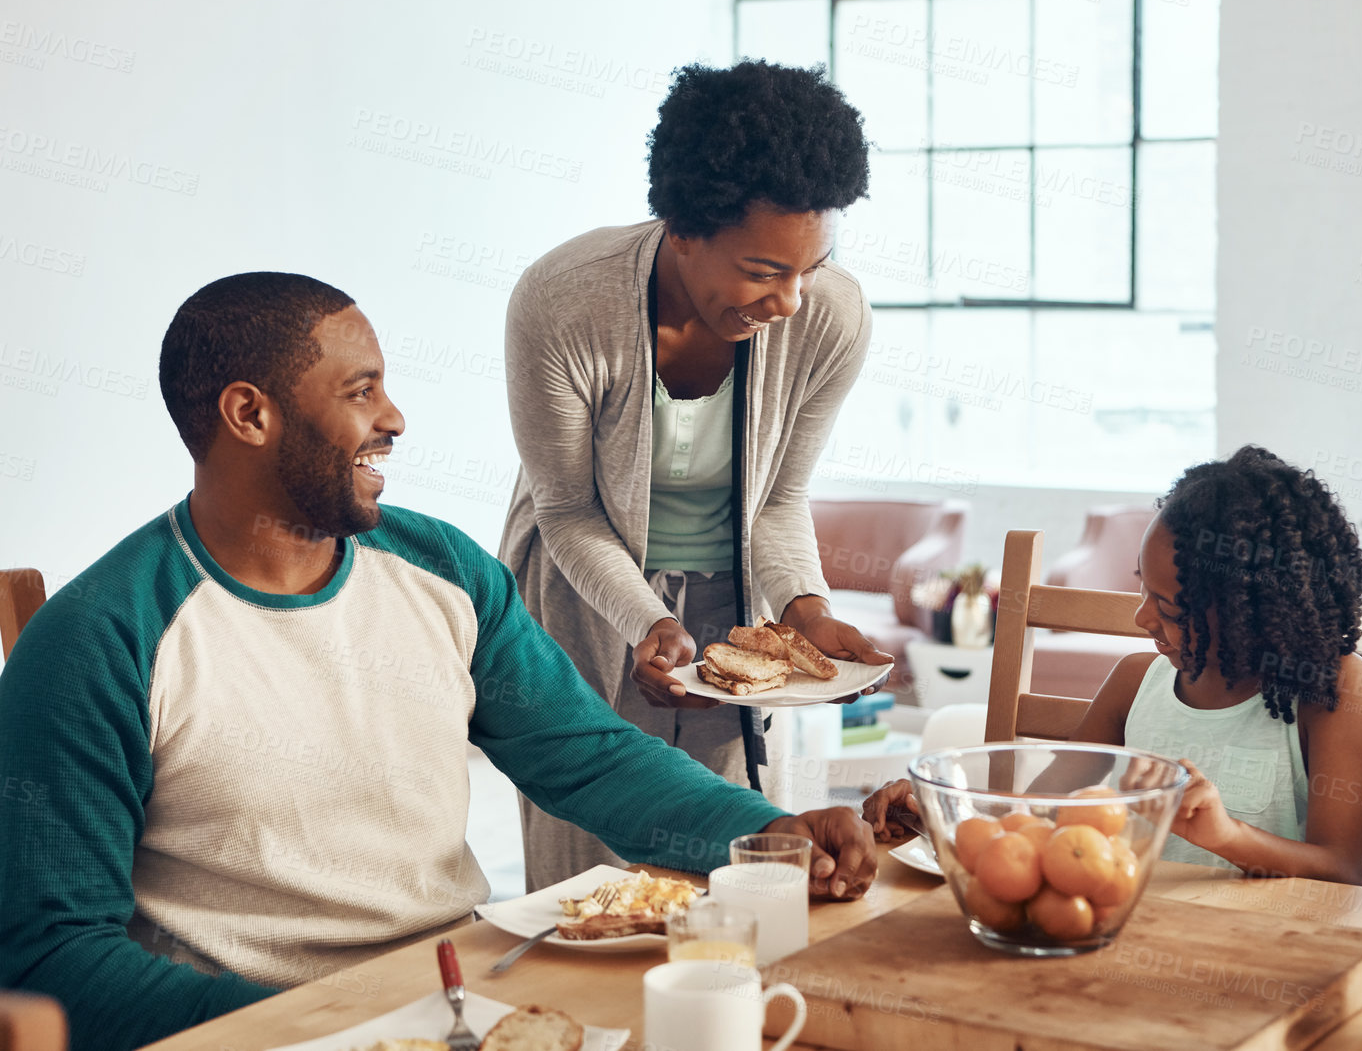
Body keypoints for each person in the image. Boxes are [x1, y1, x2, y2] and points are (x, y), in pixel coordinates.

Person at [0, 274, 876, 1051]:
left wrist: (762, 834)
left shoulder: (444, 569)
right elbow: (53, 957)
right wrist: (319, 1032)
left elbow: (587, 755)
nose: (394, 418)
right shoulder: (97, 641)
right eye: (362, 390)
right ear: (249, 414)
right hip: (265, 1029)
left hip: (464, 1002)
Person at [498, 59, 891, 890]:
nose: (788, 300)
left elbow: (776, 501)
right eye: (761, 271)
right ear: (680, 227)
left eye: (807, 268)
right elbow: (567, 511)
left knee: (744, 858)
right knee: (593, 871)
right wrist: (645, 621)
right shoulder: (564, 303)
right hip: (584, 599)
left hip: (734, 608)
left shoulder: (832, 317)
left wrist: (805, 610)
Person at [866, 446, 1362, 884]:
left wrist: (1228, 837)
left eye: (1172, 609)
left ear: (1258, 613)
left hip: (1258, 948)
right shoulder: (1135, 683)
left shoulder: (1331, 689)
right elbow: (1038, 811)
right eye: (1142, 589)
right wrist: (937, 813)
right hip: (1117, 924)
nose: (1142, 618)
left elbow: (1341, 871)